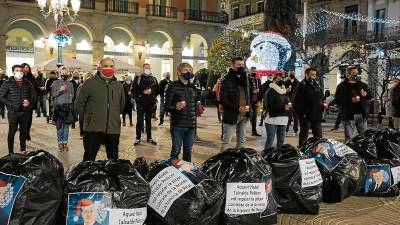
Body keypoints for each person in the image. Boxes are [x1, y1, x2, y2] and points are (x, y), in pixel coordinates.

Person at [75, 58, 125, 161]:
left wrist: (113, 116)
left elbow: (121, 105)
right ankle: (86, 177)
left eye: (111, 66)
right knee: (89, 159)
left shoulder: (119, 86)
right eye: (106, 66)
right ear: (100, 68)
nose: (109, 68)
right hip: (93, 129)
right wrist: (88, 119)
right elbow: (79, 104)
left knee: (113, 160)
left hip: (113, 128)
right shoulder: (89, 83)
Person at [165, 63, 197, 162]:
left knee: (188, 151)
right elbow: (166, 106)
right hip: (177, 126)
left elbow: (194, 105)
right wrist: (175, 107)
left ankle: (186, 172)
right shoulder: (172, 86)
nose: (189, 72)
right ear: (179, 72)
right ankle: (172, 172)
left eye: (190, 70)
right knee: (176, 150)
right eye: (186, 70)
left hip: (191, 126)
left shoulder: (193, 87)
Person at [0, 65, 36, 154]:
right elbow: (1, 96)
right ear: (13, 72)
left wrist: (29, 103)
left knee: (23, 131)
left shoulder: (27, 83)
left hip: (25, 112)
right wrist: (11, 105)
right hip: (13, 112)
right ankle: (11, 152)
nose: (19, 72)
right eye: (17, 70)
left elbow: (33, 96)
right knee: (12, 131)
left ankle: (23, 149)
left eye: (21, 70)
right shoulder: (7, 83)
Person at [220, 57, 250, 152]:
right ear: (232, 65)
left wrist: (249, 107)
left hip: (244, 114)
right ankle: (221, 162)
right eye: (238, 65)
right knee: (226, 141)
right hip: (231, 114)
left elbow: (247, 95)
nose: (241, 67)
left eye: (242, 65)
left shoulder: (245, 79)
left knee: (241, 141)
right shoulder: (227, 80)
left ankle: (238, 162)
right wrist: (238, 108)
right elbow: (223, 100)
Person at [335, 66, 372, 141]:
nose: (356, 75)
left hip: (361, 114)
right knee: (349, 138)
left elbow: (370, 96)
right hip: (349, 115)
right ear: (348, 74)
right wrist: (350, 100)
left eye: (357, 73)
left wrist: (366, 94)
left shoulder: (362, 85)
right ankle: (350, 152)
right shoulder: (342, 86)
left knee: (364, 137)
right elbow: (338, 99)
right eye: (354, 73)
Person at [293, 68, 327, 147]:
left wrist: (323, 103)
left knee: (318, 136)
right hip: (306, 116)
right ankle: (302, 150)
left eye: (315, 75)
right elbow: (295, 102)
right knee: (304, 135)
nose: (314, 76)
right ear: (306, 75)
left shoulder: (316, 84)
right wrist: (303, 113)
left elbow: (321, 96)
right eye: (312, 75)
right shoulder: (301, 85)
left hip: (317, 115)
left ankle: (317, 152)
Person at [132, 63, 159, 145]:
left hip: (150, 103)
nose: (147, 69)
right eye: (146, 68)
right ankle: (138, 138)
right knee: (139, 121)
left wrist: (152, 96)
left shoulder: (154, 79)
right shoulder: (138, 78)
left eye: (149, 68)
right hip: (141, 103)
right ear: (143, 69)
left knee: (148, 121)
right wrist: (142, 92)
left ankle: (149, 138)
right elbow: (133, 90)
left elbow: (157, 90)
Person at [264, 72, 291, 149]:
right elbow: (268, 106)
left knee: (281, 141)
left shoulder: (284, 91)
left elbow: (287, 103)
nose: (280, 80)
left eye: (282, 78)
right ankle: (266, 156)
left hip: (283, 119)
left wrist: (289, 107)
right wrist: (283, 107)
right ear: (274, 80)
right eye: (278, 78)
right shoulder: (271, 91)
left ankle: (279, 157)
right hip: (272, 120)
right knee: (270, 141)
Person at [51, 67, 75, 152]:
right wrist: (60, 91)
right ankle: (59, 143)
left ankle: (65, 143)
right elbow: (53, 95)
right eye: (63, 72)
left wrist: (70, 102)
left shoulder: (70, 84)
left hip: (67, 108)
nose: (64, 74)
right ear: (59, 73)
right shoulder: (55, 83)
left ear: (68, 73)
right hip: (58, 107)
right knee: (59, 127)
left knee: (66, 127)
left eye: (66, 73)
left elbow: (73, 95)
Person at [21, 63, 39, 141]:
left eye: (27, 67)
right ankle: (23, 132)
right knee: (22, 119)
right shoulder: (19, 77)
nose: (26, 69)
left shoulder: (32, 78)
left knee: (29, 119)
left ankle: (27, 133)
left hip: (30, 101)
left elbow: (36, 89)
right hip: (20, 101)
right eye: (24, 67)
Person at [284, 70, 299, 135]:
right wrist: (287, 91)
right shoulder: (285, 82)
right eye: (291, 73)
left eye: (293, 73)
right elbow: (283, 92)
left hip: (295, 102)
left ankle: (295, 131)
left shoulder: (298, 83)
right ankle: (286, 131)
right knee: (287, 117)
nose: (292, 74)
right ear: (288, 74)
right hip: (287, 102)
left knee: (295, 118)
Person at [248, 67, 261, 136]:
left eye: (255, 71)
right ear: (250, 71)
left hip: (255, 100)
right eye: (253, 71)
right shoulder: (247, 79)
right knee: (250, 116)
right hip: (249, 100)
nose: (254, 72)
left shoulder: (258, 79)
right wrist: (252, 91)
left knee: (255, 116)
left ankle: (254, 131)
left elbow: (260, 89)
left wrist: (259, 99)